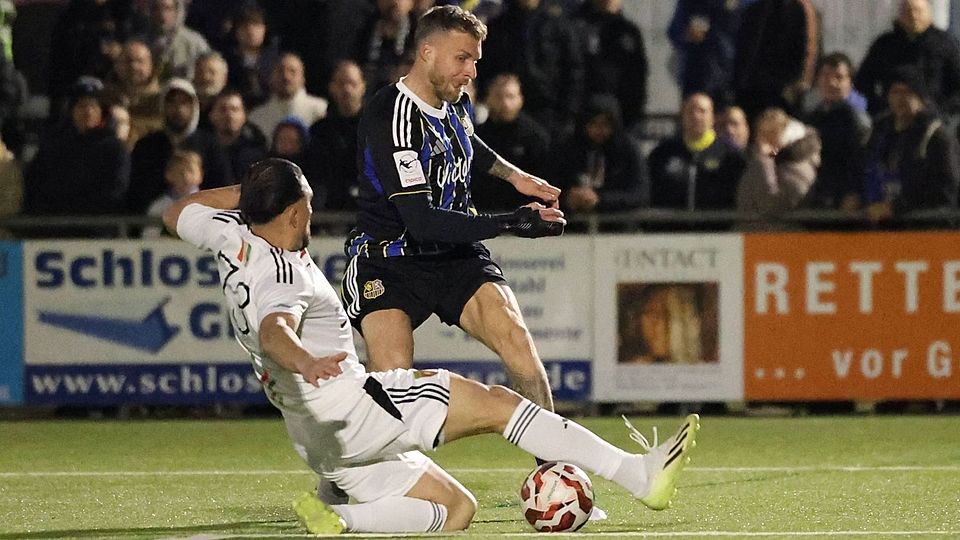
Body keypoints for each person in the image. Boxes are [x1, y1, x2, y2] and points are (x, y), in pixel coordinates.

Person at [161, 158, 701, 534]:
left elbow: (174, 212)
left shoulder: (229, 235)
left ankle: (340, 520)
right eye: (304, 205)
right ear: (296, 212)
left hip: (316, 441)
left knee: (456, 509)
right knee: (498, 404)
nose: (311, 214)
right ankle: (638, 475)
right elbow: (276, 327)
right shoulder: (283, 274)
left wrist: (255, 193)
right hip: (353, 406)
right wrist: (304, 358)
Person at [344, 5, 565, 417]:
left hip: (455, 254)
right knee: (390, 386)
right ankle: (339, 482)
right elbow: (422, 221)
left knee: (518, 344)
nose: (472, 72)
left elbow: (467, 142)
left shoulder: (455, 101)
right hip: (390, 260)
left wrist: (514, 176)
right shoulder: (391, 115)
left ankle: (554, 469)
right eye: (463, 58)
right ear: (426, 52)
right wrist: (514, 220)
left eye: (476, 61)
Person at [855, 0, 960, 117]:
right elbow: (863, 82)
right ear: (900, 16)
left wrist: (941, 113)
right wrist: (879, 110)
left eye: (918, 11)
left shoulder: (944, 44)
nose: (913, 16)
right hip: (893, 123)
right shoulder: (885, 45)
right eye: (908, 12)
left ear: (929, 14)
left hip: (933, 122)